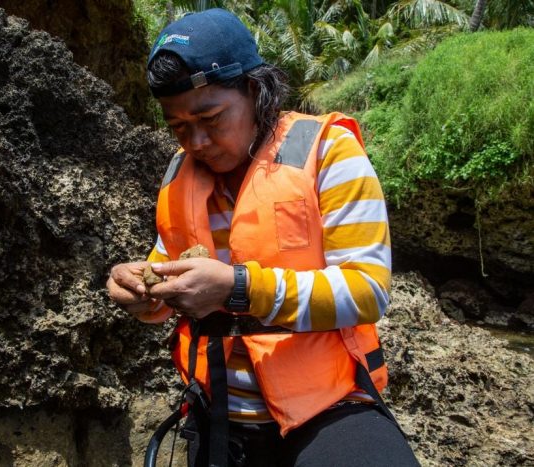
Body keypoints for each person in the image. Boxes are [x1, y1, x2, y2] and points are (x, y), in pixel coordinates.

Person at [107, 8, 419, 467]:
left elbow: (367, 290)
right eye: (178, 127)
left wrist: (239, 288)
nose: (195, 142)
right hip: (215, 412)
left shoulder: (330, 153)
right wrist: (140, 289)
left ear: (255, 91)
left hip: (327, 410)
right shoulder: (179, 174)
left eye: (210, 119)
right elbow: (167, 274)